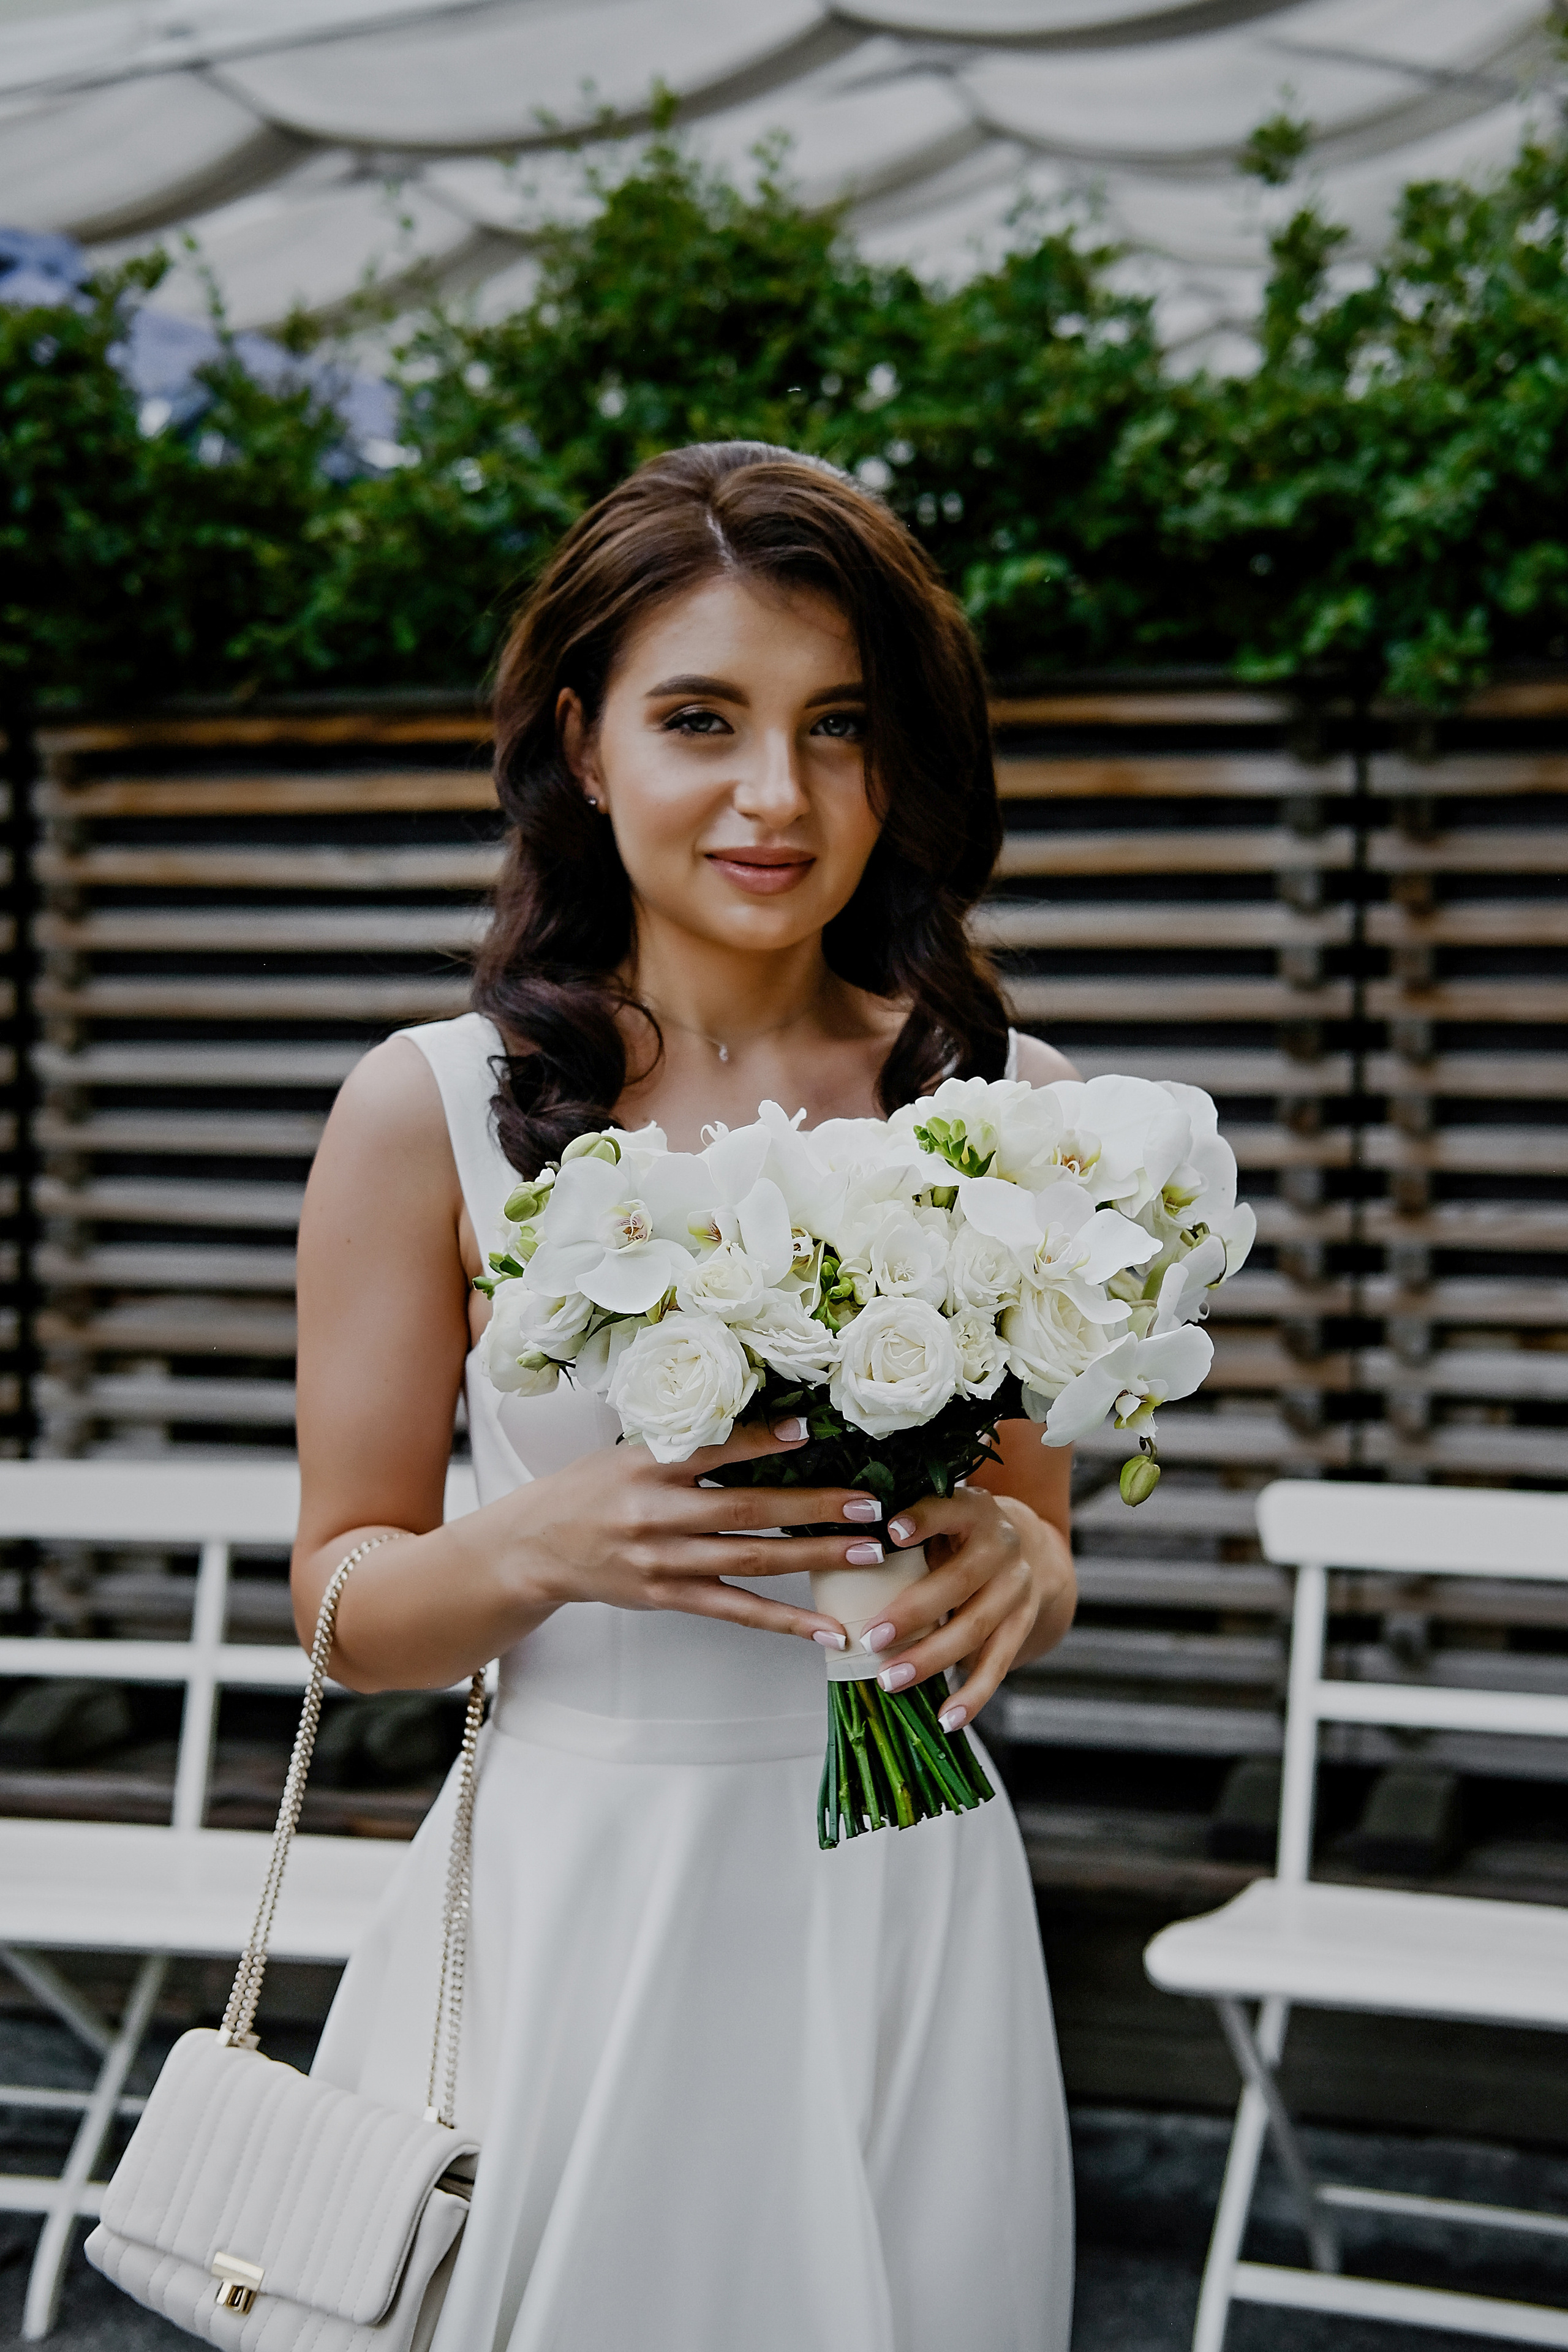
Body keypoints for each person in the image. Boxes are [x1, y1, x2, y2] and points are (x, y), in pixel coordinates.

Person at [294, 441, 1079, 2351]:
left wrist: (1033, 1571)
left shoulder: (1009, 1108)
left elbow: (1026, 1529)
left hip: (906, 1882)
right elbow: (341, 1610)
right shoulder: (434, 1114)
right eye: (701, 718)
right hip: (582, 1893)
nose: (774, 796)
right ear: (584, 742)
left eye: (840, 728)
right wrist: (543, 1544)